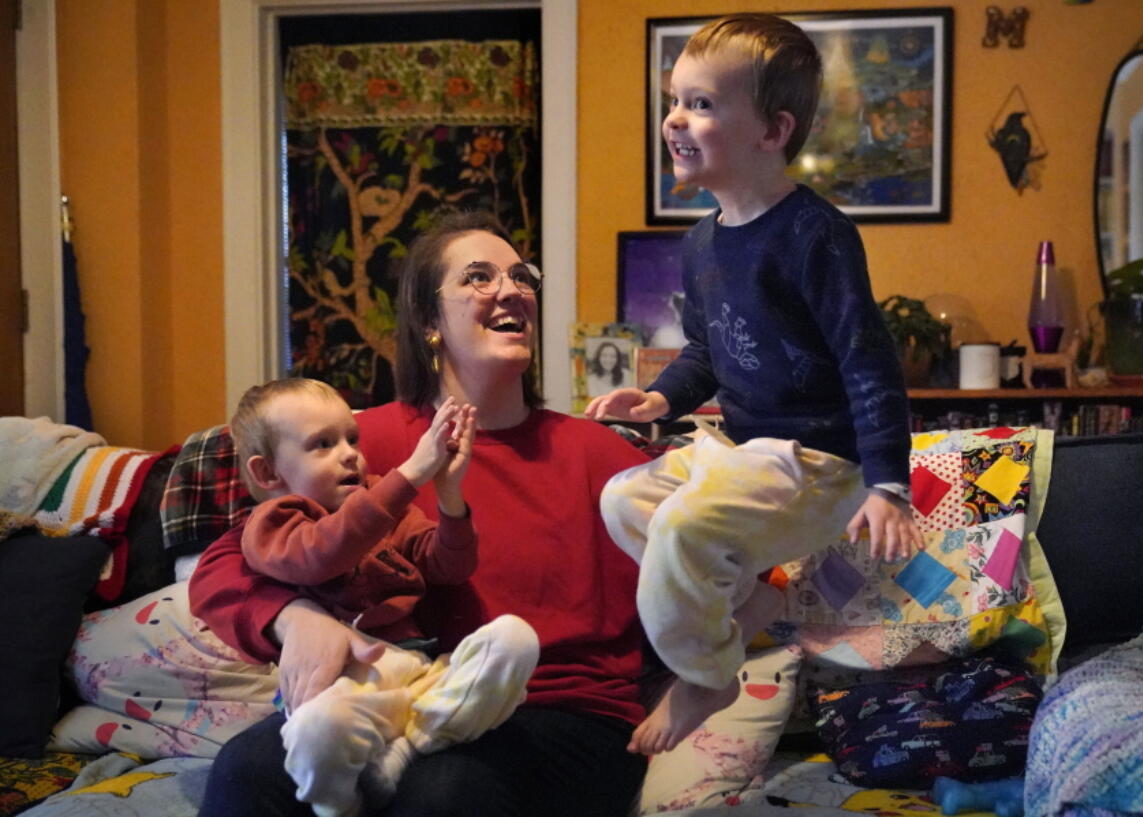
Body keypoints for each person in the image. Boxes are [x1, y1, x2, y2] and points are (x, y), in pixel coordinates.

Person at [189, 211, 652, 817]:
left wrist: (698, 683)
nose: (512, 290)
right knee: (247, 768)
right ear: (429, 322)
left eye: (521, 276)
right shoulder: (358, 446)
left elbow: (726, 565)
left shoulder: (600, 453)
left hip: (564, 710)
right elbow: (226, 563)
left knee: (444, 790)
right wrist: (292, 617)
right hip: (398, 698)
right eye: (480, 278)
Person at [585, 13, 923, 755]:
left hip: (818, 465)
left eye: (702, 104)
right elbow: (707, 350)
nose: (676, 118)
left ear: (772, 131)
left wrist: (888, 485)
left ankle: (706, 671)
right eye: (674, 100)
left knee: (682, 526)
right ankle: (756, 598)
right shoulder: (701, 240)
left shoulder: (816, 235)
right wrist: (659, 399)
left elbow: (869, 361)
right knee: (624, 498)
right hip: (743, 450)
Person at [227, 377, 538, 817]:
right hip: (342, 689)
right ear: (268, 473)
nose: (349, 453)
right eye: (323, 444)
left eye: (351, 438)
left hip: (418, 673)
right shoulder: (272, 524)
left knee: (514, 639)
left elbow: (449, 567)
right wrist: (409, 475)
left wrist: (449, 496)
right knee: (315, 732)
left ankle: (411, 747)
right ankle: (342, 805)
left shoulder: (379, 502)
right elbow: (322, 553)